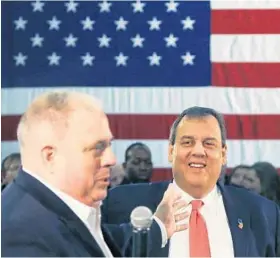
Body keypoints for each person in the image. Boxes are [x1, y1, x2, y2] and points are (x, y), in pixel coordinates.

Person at [1, 91, 188, 257]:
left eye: (108, 145)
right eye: (97, 148)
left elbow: (102, 246)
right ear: (51, 156)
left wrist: (161, 225)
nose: (111, 159)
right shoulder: (19, 235)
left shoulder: (55, 210)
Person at [102, 106, 280, 257]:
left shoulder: (263, 213)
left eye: (209, 143)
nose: (198, 151)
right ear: (171, 151)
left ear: (224, 154)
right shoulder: (120, 203)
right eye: (187, 142)